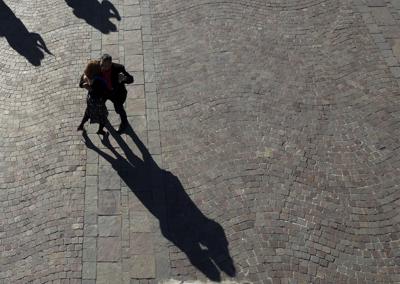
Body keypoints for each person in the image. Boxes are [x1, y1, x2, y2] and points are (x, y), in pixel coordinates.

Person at [100, 53, 134, 133]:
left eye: (105, 66)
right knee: (100, 105)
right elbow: (85, 75)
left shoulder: (119, 68)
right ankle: (104, 115)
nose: (103, 67)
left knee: (119, 109)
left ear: (110, 64)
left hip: (116, 93)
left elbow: (131, 79)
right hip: (103, 92)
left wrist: (124, 79)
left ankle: (124, 123)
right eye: (102, 65)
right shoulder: (97, 66)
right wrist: (83, 83)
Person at [77, 60, 109, 135]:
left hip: (90, 99)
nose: (102, 67)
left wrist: (85, 85)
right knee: (103, 116)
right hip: (98, 101)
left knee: (88, 112)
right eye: (100, 66)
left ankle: (81, 125)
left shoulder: (86, 75)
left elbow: (80, 84)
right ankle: (100, 131)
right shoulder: (99, 80)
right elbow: (103, 91)